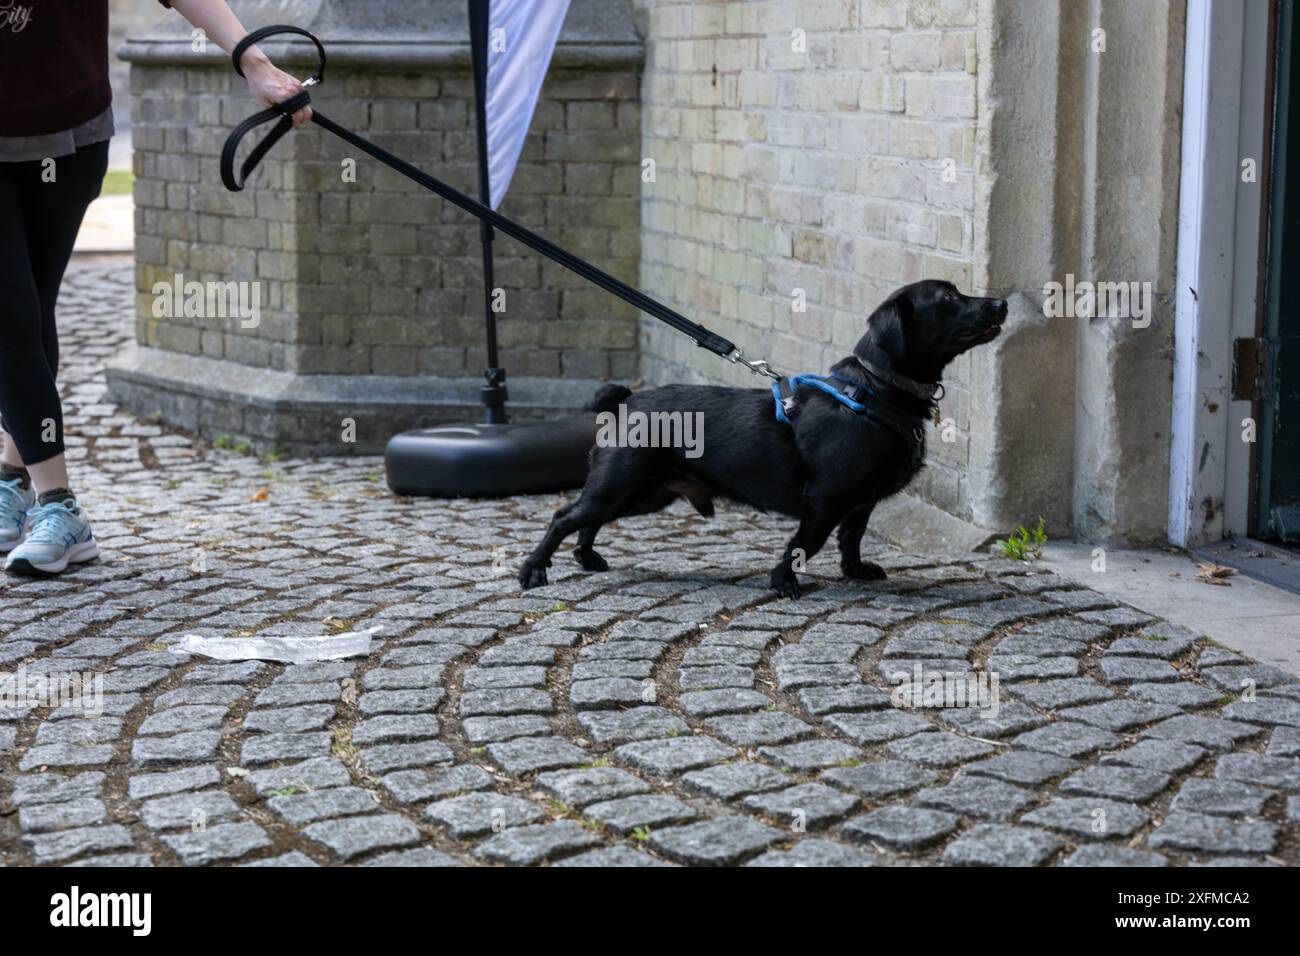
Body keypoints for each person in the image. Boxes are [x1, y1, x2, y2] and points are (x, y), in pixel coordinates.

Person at [0, 0, 309, 576]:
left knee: (33, 308)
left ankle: (12, 480)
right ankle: (60, 508)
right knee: (9, 316)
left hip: (69, 133)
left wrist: (254, 61)